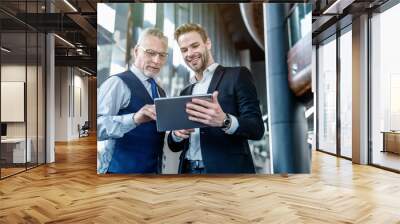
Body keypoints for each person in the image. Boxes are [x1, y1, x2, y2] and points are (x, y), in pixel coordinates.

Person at [168, 23, 264, 174]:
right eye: (184, 50)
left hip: (225, 171)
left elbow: (257, 129)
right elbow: (174, 146)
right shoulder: (185, 91)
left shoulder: (237, 75)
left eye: (194, 46)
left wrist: (225, 121)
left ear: (208, 43)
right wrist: (176, 134)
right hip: (187, 170)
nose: (190, 53)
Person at [97, 28, 168, 174]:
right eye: (150, 52)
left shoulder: (160, 91)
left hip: (152, 173)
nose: (157, 60)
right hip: (120, 172)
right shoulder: (117, 83)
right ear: (136, 51)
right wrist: (134, 119)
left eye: (162, 55)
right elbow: (97, 127)